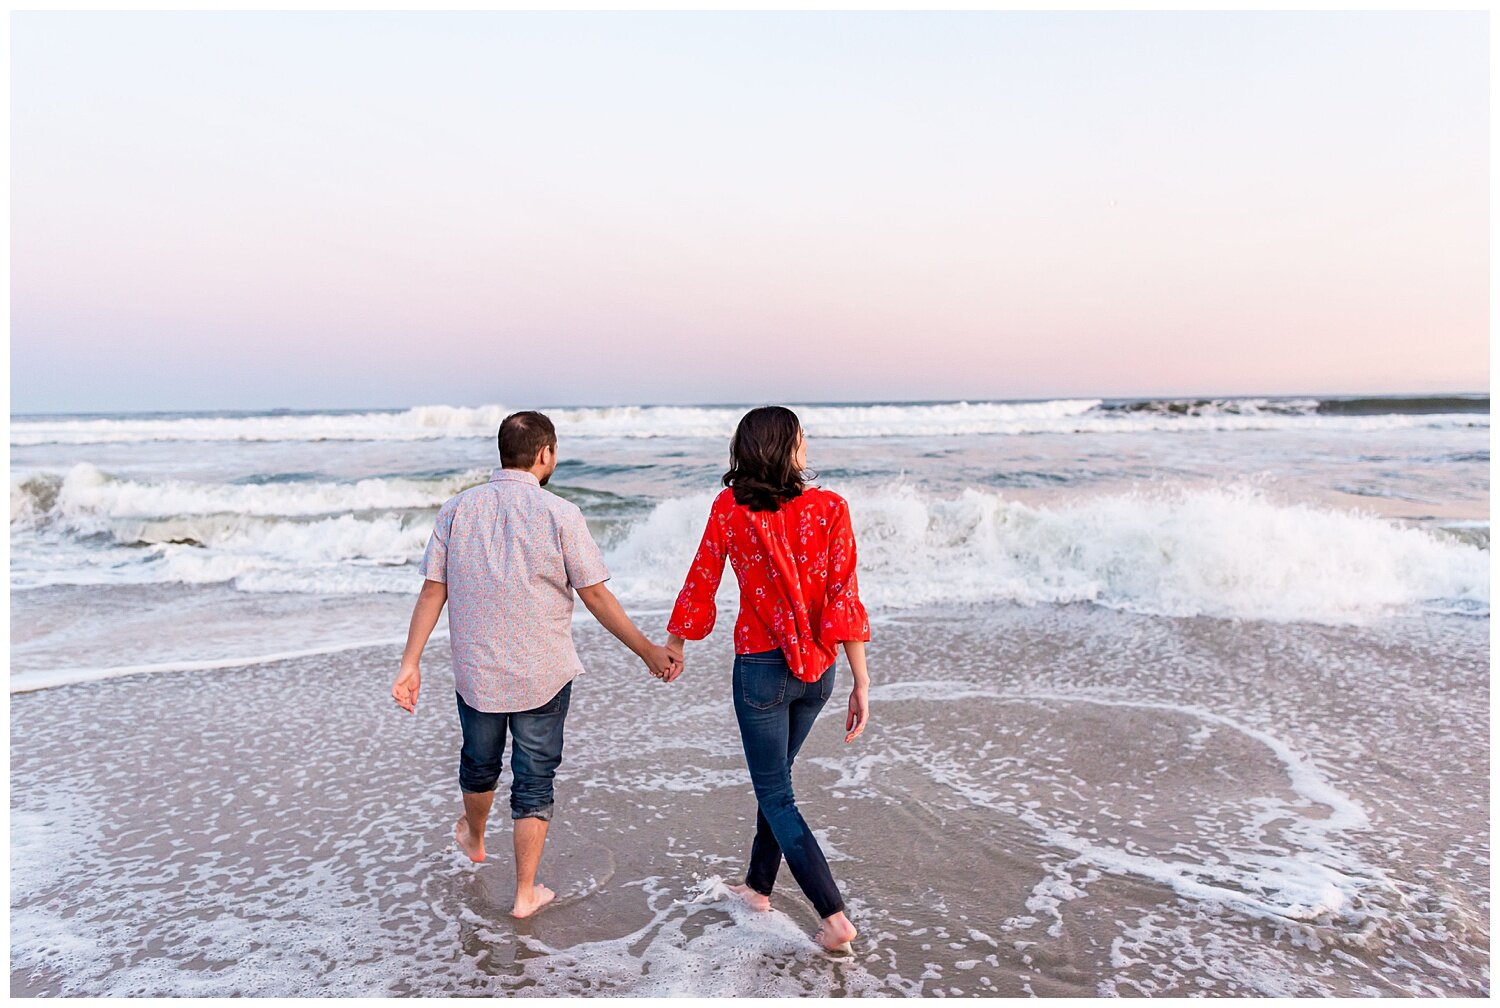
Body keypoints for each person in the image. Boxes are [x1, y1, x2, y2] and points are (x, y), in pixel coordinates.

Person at [391, 409, 679, 919]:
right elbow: (596, 595)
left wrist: (410, 662)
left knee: (479, 762)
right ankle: (525, 893)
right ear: (545, 455)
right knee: (534, 780)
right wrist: (648, 651)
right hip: (543, 674)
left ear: (502, 453)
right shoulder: (561, 514)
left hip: (477, 670)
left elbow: (433, 590)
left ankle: (475, 836)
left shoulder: (456, 510)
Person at [662, 405, 871, 951]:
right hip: (820, 673)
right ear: (787, 448)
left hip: (760, 669)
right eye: (801, 438)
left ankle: (833, 917)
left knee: (776, 792)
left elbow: (701, 578)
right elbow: (843, 598)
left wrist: (676, 645)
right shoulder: (831, 507)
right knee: (774, 779)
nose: (806, 446)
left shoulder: (731, 507)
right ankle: (757, 887)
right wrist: (860, 682)